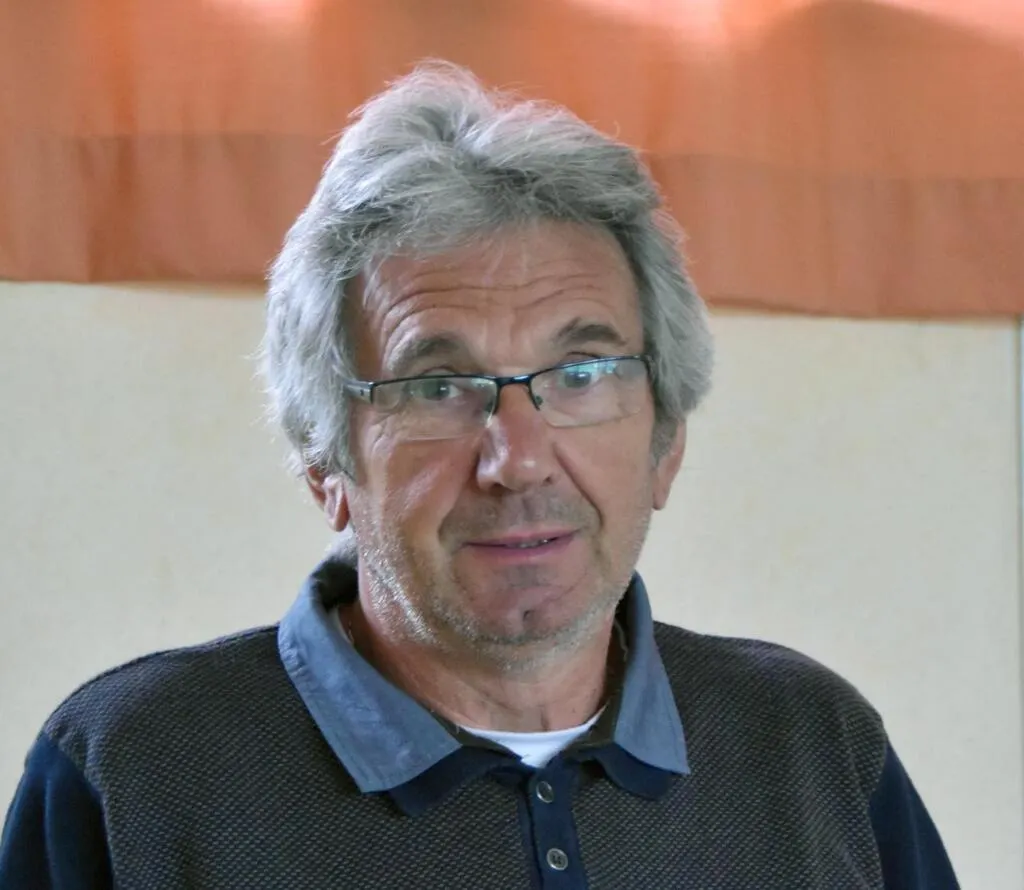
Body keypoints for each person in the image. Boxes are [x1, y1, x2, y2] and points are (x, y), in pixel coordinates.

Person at [0, 61, 958, 890]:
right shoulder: (131, 773)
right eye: (437, 386)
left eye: (581, 375)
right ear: (325, 462)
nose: (518, 459)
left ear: (666, 441)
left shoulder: (814, 746)